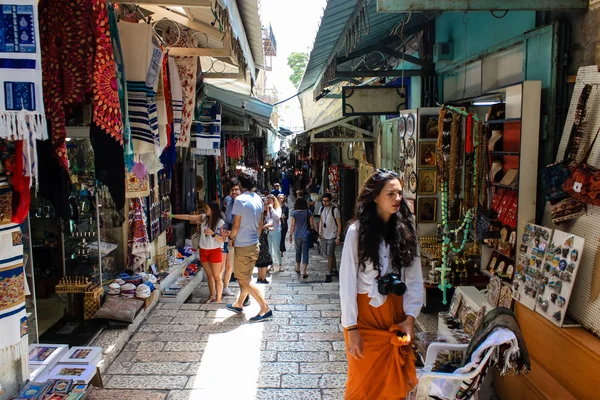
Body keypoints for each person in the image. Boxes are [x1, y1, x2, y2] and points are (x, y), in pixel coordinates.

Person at [340, 169, 423, 399]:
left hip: (395, 316)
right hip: (365, 318)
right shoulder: (356, 232)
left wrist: (409, 319)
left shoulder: (407, 232)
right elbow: (346, 282)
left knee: (393, 384)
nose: (398, 199)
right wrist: (351, 329)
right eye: (391, 194)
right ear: (375, 196)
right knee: (361, 384)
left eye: (399, 193)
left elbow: (414, 278)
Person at [226, 168, 273, 322]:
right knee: (245, 276)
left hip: (243, 245)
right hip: (254, 243)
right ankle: (239, 303)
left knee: (243, 279)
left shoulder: (240, 200)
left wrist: (231, 237)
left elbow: (236, 226)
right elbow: (260, 224)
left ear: (240, 183)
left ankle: (264, 307)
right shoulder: (258, 199)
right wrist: (255, 238)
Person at [170, 202, 227, 303]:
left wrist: (213, 234)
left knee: (217, 276)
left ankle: (218, 299)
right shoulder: (204, 218)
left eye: (207, 208)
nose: (205, 210)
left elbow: (222, 239)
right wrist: (172, 215)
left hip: (215, 251)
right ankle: (211, 296)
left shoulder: (220, 222)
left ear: (213, 209)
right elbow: (188, 217)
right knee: (209, 275)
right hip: (203, 250)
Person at [221, 178, 241, 297]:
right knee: (229, 265)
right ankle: (226, 287)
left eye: (236, 190)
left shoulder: (243, 203)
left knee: (239, 266)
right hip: (230, 238)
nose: (234, 192)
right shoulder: (229, 203)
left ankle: (244, 294)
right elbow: (228, 220)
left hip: (240, 239)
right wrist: (224, 228)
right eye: (232, 190)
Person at [289, 197, 314, 279]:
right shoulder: (308, 212)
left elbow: (293, 225)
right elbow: (311, 225)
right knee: (305, 252)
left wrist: (290, 235)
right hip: (306, 235)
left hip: (297, 235)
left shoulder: (294, 213)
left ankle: (298, 268)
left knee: (298, 251)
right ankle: (305, 271)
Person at [319, 193, 341, 283]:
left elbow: (339, 224)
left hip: (332, 235)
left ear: (330, 200)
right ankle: (335, 268)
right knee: (329, 253)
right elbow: (321, 220)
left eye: (326, 201)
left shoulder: (334, 210)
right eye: (323, 201)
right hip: (324, 235)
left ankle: (329, 273)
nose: (325, 202)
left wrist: (338, 237)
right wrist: (320, 230)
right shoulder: (321, 209)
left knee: (329, 254)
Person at [256, 198, 274, 284]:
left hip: (262, 238)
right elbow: (259, 227)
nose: (266, 206)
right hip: (261, 239)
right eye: (265, 205)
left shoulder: (261, 215)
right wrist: (265, 226)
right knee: (264, 258)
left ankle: (260, 277)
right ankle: (262, 277)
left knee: (261, 258)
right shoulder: (260, 215)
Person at [267, 194, 283, 272]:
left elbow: (277, 217)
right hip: (268, 231)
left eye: (271, 200)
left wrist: (272, 209)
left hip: (276, 230)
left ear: (274, 201)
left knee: (276, 248)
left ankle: (280, 264)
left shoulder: (278, 208)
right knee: (269, 249)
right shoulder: (266, 209)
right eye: (268, 200)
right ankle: (271, 265)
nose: (269, 202)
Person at [277, 194, 289, 266]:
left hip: (284, 225)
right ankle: (278, 250)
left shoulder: (286, 208)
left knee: (282, 238)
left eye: (282, 198)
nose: (281, 199)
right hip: (277, 225)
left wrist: (284, 217)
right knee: (278, 239)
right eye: (280, 198)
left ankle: (281, 251)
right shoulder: (276, 207)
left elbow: (287, 217)